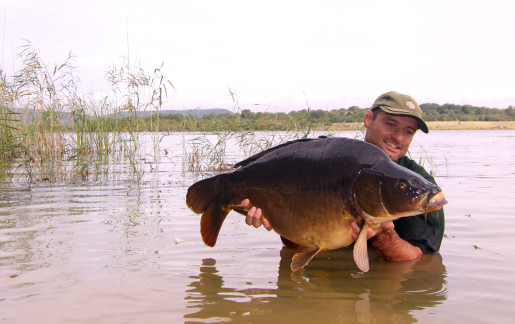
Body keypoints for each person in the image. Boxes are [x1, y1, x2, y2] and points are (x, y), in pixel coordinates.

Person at [241, 91, 445, 262]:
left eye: (408, 131)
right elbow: (295, 245)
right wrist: (276, 221)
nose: (398, 137)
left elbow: (422, 263)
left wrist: (383, 235)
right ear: (368, 119)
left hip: (373, 295)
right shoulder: (327, 160)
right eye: (391, 124)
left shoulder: (419, 186)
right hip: (317, 283)